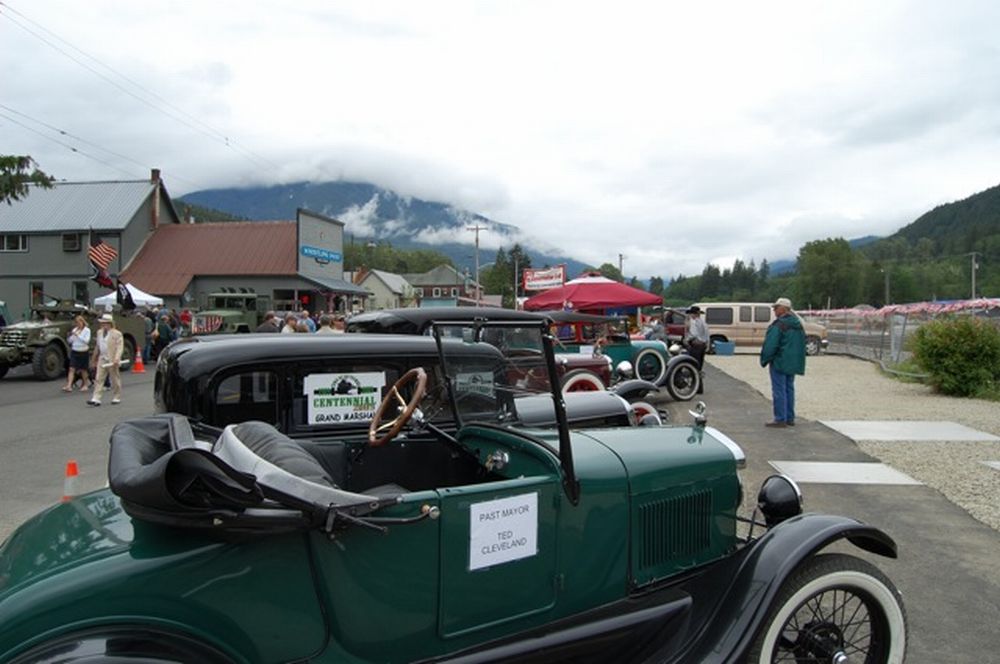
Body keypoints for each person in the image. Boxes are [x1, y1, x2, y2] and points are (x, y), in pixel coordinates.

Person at [759, 297, 806, 428]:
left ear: (783, 309)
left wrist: (765, 359)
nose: (774, 310)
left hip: (780, 361)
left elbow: (771, 345)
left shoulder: (779, 325)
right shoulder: (798, 325)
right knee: (789, 389)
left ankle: (780, 418)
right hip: (793, 362)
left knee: (779, 390)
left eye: (776, 308)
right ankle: (789, 417)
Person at [88, 314, 124, 406]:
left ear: (110, 323)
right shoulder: (99, 332)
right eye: (102, 323)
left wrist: (117, 358)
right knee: (99, 378)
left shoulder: (117, 333)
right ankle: (96, 398)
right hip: (102, 357)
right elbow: (97, 346)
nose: (103, 325)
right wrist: (93, 358)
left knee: (114, 378)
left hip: (112, 359)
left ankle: (117, 396)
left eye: (105, 323)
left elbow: (120, 347)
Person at [63, 315, 91, 393]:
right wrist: (71, 337)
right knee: (72, 368)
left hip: (83, 351)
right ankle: (69, 385)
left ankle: (85, 384)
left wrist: (78, 335)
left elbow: (86, 341)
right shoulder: (75, 330)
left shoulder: (87, 330)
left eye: (79, 322)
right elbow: (70, 341)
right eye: (77, 323)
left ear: (83, 322)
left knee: (83, 369)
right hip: (75, 350)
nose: (78, 324)